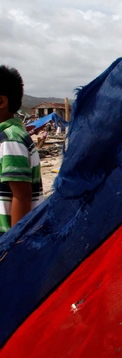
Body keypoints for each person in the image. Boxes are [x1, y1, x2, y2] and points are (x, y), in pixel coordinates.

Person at [0, 65, 44, 234]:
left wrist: (13, 245)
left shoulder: (10, 139)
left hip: (7, 241)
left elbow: (22, 197)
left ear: (1, 101)